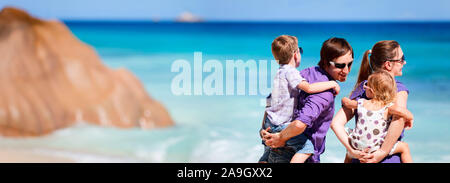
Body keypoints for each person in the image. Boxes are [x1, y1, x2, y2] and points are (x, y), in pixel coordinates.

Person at [261, 37, 354, 163]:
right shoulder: (325, 93)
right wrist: (280, 138)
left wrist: (264, 128)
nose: (347, 70)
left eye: (350, 64)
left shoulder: (306, 72)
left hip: (277, 136)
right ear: (326, 62)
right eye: (340, 65)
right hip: (292, 151)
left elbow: (273, 100)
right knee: (308, 147)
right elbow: (300, 124)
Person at [331, 40, 412, 163]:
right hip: (387, 160)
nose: (404, 62)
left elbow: (336, 123)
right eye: (401, 59)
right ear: (388, 65)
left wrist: (351, 151)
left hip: (360, 158)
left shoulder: (363, 87)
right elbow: (399, 118)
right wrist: (381, 152)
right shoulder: (398, 89)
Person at [337, 70, 413, 163]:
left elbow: (347, 102)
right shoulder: (388, 107)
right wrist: (410, 118)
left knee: (349, 152)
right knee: (404, 147)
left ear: (372, 91)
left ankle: (349, 157)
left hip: (357, 145)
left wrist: (343, 99)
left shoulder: (362, 103)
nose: (364, 88)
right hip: (375, 148)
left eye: (366, 87)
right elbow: (402, 111)